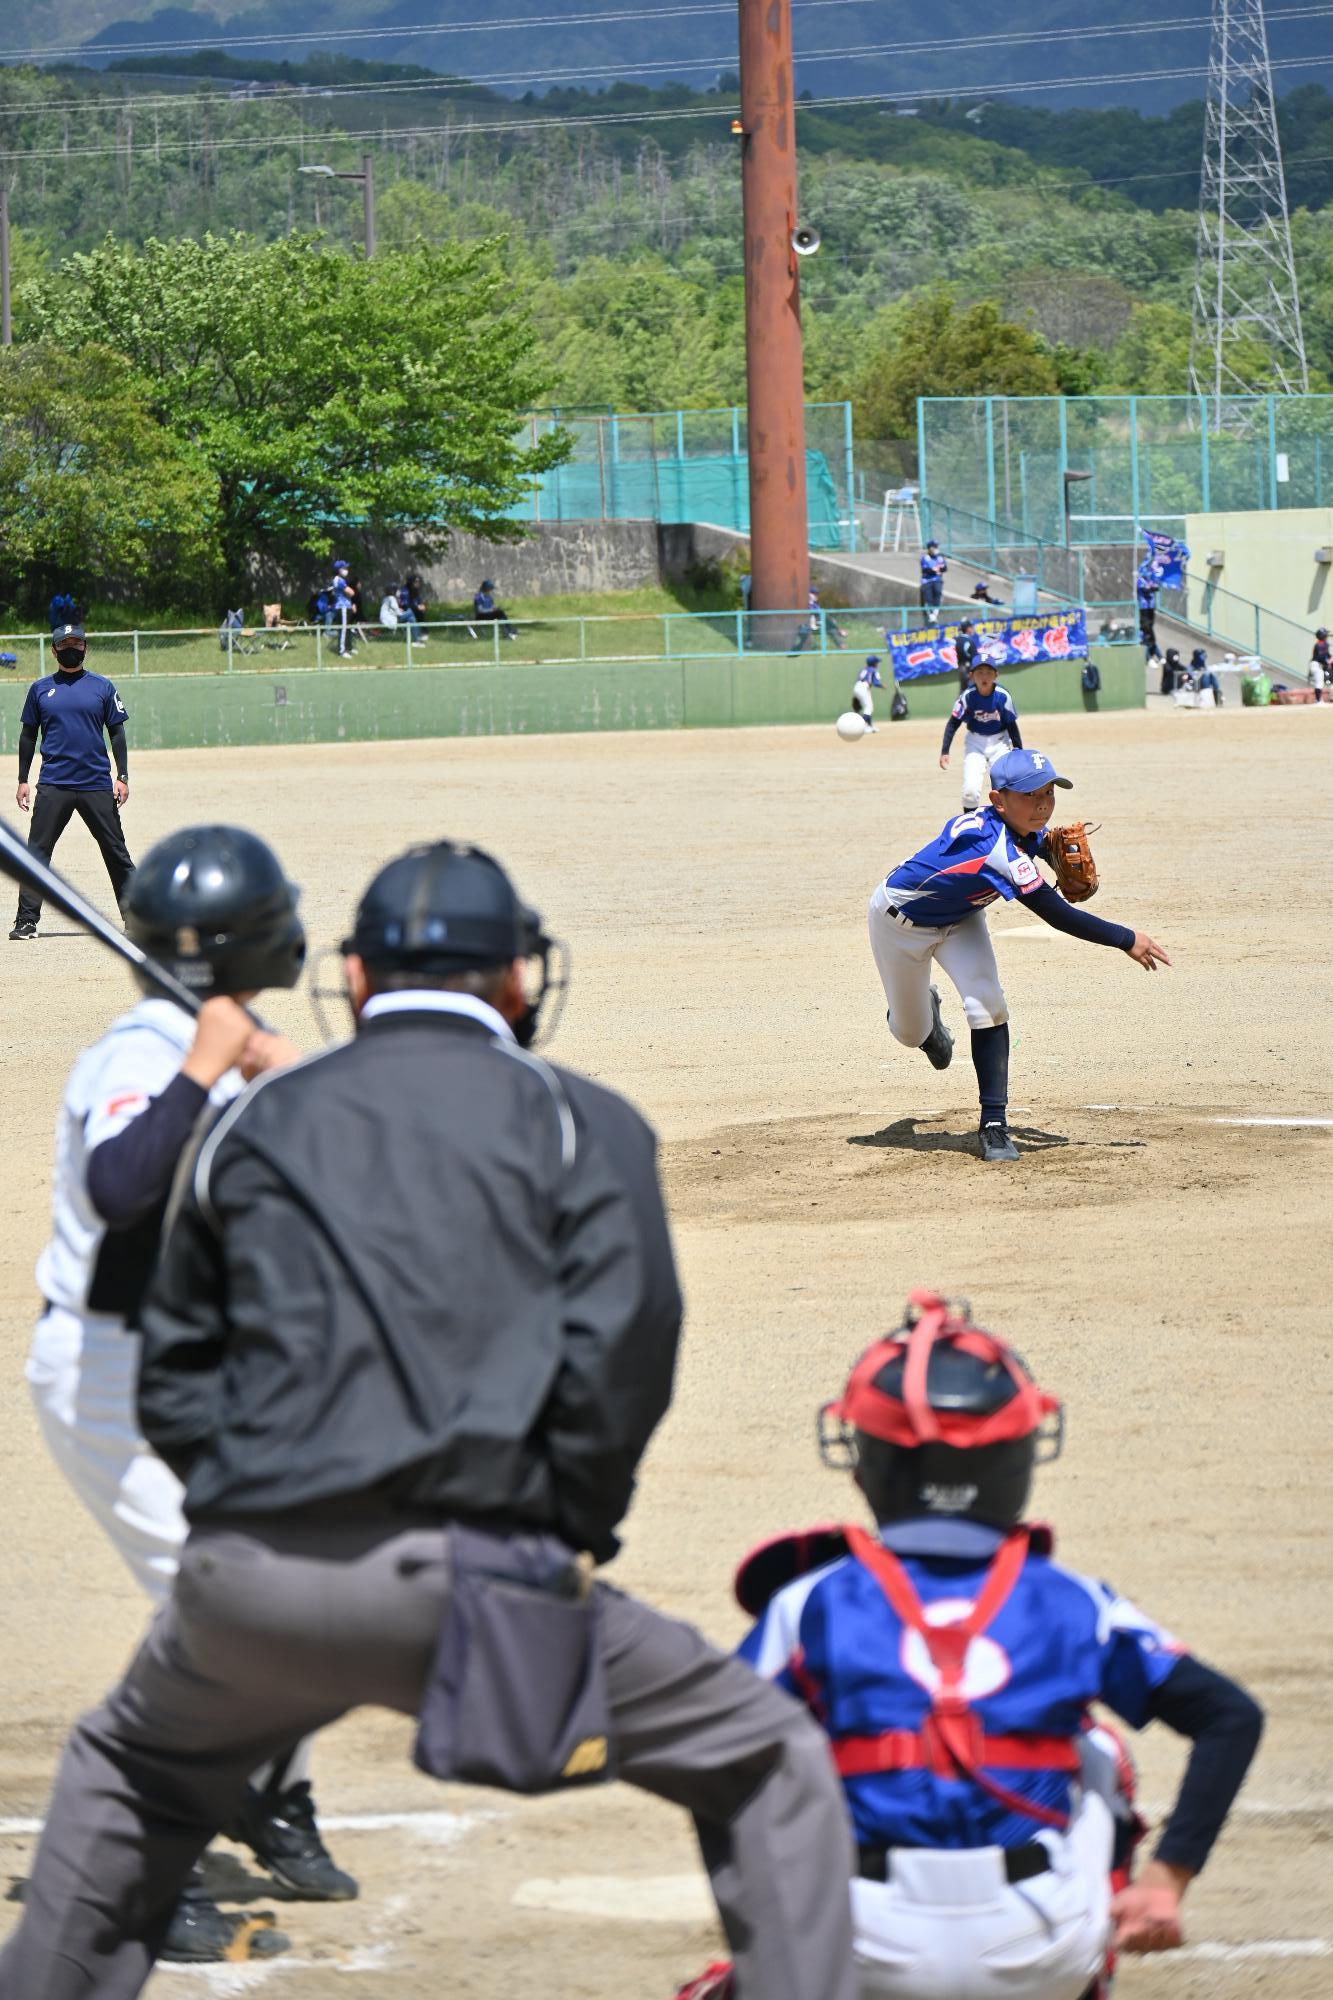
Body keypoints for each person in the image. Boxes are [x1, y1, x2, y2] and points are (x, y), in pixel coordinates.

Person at [0, 842, 858, 2000]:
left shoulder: (252, 1115)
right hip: (487, 1575)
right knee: (768, 1759)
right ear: (514, 979)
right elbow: (628, 1344)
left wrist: (240, 1514)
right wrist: (562, 1534)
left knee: (126, 1770)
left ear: (354, 977)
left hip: (254, 1580)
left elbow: (169, 1344)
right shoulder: (580, 1118)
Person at [700, 1290, 1263, 2000]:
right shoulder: (1072, 1600)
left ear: (866, 1461)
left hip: (861, 1945)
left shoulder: (809, 1600)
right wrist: (1167, 1876)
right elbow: (1229, 1715)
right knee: (1098, 1752)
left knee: (796, 1736)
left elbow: (714, 1751)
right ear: (1018, 1457)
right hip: (1038, 1947)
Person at [22, 825, 356, 1961]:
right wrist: (202, 1064)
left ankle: (271, 1790)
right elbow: (122, 1186)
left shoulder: (234, 1039)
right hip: (110, 1381)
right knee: (218, 1617)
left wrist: (274, 1070)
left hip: (209, 1376)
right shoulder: (141, 1053)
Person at [867, 747, 1170, 1162]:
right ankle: (927, 1021)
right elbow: (1057, 914)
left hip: (962, 919)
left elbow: (1039, 841)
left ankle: (994, 1124)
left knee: (988, 1006)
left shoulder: (1020, 829)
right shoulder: (997, 849)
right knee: (909, 1033)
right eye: (1030, 796)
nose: (1043, 804)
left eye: (1049, 793)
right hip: (898, 924)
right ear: (998, 800)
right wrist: (1125, 937)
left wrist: (1048, 847)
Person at [10, 623, 134, 942]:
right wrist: (23, 779)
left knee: (116, 851)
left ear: (85, 648)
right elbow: (28, 736)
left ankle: (136, 917)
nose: (71, 647)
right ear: (53, 650)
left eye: (77, 643)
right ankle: (26, 921)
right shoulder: (40, 689)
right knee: (36, 853)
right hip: (54, 783)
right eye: (64, 643)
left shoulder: (102, 687)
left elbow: (117, 733)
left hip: (95, 782)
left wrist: (122, 776)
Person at [938, 661, 1021, 810]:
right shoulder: (967, 696)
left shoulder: (1002, 696)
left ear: (996, 675)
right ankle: (970, 826)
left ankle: (1007, 825)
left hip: (1000, 743)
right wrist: (945, 751)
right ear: (971, 676)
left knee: (1005, 787)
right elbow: (953, 723)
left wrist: (1019, 752)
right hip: (975, 743)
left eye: (989, 672)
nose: (984, 676)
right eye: (979, 672)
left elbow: (1011, 726)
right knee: (970, 791)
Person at [330, 559, 356, 656]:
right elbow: (351, 592)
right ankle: (342, 650)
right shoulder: (338, 580)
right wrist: (350, 592)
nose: (346, 570)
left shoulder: (342, 580)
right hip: (342, 607)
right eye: (344, 568)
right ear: (339, 569)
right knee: (344, 629)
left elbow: (350, 592)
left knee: (348, 628)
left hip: (347, 606)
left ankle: (348, 647)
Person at [852, 657, 885, 732]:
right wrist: (882, 686)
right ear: (874, 663)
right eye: (877, 662)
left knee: (867, 707)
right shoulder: (874, 670)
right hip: (864, 687)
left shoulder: (863, 669)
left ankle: (870, 726)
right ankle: (860, 727)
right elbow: (875, 682)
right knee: (869, 708)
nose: (878, 664)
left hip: (857, 686)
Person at [1135, 569, 1161, 666]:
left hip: (1151, 606)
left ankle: (1155, 651)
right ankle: (1146, 644)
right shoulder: (1140, 580)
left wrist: (1152, 586)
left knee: (1151, 626)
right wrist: (1151, 587)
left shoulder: (1151, 580)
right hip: (1143, 607)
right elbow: (1146, 590)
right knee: (1145, 626)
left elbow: (1156, 588)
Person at [920, 541, 947, 622]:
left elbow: (944, 568)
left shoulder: (940, 557)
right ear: (929, 548)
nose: (935, 548)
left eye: (936, 547)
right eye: (934, 547)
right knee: (928, 598)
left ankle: (935, 613)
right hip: (927, 581)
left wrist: (939, 569)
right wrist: (934, 570)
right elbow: (925, 569)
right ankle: (930, 614)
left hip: (937, 580)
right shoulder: (925, 558)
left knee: (938, 593)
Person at [954, 618, 980, 693]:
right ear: (968, 629)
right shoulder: (968, 641)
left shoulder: (958, 639)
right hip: (969, 669)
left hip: (962, 669)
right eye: (971, 627)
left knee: (963, 692)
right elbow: (975, 658)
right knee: (973, 692)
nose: (972, 629)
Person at [1309, 627, 1329, 702]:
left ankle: (1318, 699)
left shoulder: (1324, 644)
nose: (1326, 636)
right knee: (1319, 683)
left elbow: (1327, 654)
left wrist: (1329, 659)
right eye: (1325, 634)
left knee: (1320, 682)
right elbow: (1321, 657)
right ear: (1322, 636)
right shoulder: (1319, 644)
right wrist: (1327, 661)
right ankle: (1318, 700)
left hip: (1318, 664)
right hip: (1316, 664)